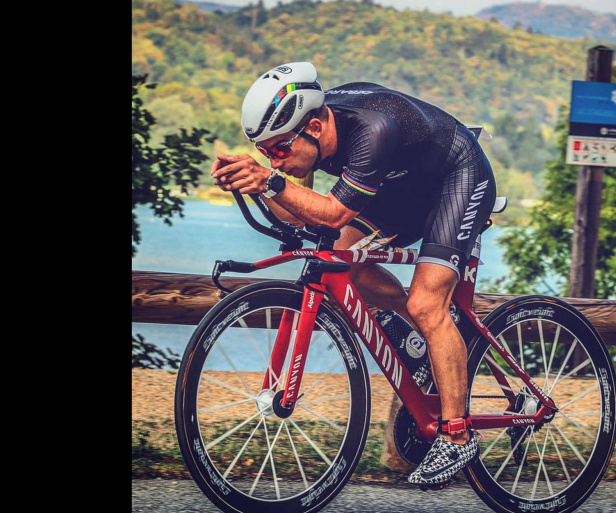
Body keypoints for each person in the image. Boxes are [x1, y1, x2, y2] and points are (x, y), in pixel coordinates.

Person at [210, 61, 497, 488]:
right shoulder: (312, 137)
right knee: (341, 258)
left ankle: (457, 437)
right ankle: (417, 331)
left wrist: (269, 180)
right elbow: (306, 217)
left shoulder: (371, 131)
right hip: (401, 188)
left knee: (427, 301)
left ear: (314, 127)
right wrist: (253, 183)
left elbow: (334, 212)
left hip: (457, 177)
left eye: (279, 150)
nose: (275, 160)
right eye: (266, 152)